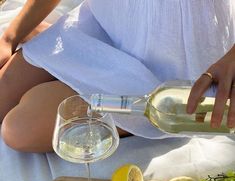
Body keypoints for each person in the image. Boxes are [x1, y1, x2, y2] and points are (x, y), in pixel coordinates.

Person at [0, 0, 234, 153]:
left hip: (174, 65)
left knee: (18, 129)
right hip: (106, 24)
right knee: (4, 92)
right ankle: (64, 54)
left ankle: (149, 116)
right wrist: (10, 37)